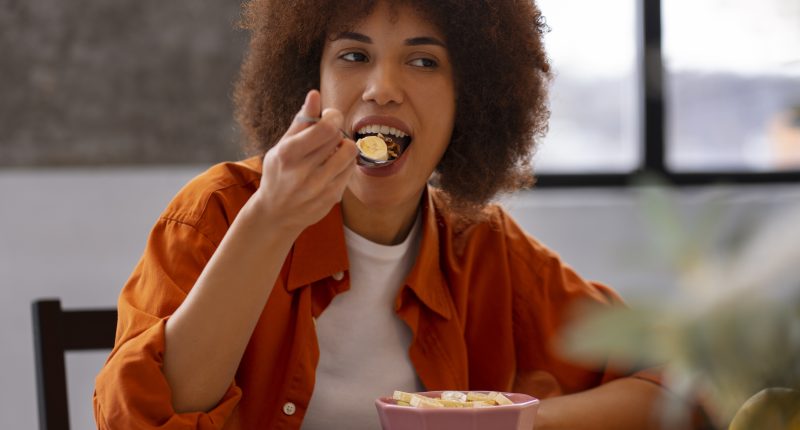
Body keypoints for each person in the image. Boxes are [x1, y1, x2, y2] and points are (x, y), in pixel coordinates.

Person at [94, 0, 695, 429]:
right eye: (354, 55)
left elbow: (685, 385)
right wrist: (270, 221)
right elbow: (135, 418)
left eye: (424, 61)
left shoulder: (484, 249)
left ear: (469, 101)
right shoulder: (220, 212)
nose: (382, 87)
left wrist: (506, 422)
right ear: (311, 83)